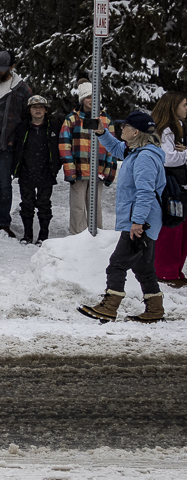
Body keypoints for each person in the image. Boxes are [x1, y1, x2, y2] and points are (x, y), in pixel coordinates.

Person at [78, 109, 169, 322]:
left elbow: (145, 192)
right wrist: (102, 133)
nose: (121, 129)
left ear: (135, 132)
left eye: (125, 126)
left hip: (140, 222)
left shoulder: (145, 157)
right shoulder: (137, 151)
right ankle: (155, 309)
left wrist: (138, 222)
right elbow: (117, 148)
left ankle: (109, 307)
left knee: (116, 264)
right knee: (143, 267)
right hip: (144, 220)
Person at [0, 51, 32, 237]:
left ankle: (4, 222)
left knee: (4, 185)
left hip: (5, 144)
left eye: (0, 69)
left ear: (11, 68)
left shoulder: (21, 89)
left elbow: (27, 118)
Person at [59, 83, 116, 236]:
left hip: (98, 169)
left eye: (95, 97)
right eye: (88, 97)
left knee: (95, 205)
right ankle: (77, 234)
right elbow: (64, 144)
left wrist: (109, 170)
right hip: (79, 169)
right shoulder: (72, 118)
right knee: (77, 206)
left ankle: (97, 235)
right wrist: (70, 170)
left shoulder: (105, 119)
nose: (92, 100)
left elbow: (112, 146)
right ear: (82, 99)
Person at [9, 95, 57, 244]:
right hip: (26, 171)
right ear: (29, 110)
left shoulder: (53, 127)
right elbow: (15, 149)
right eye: (35, 107)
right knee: (27, 205)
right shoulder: (22, 128)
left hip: (46, 171)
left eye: (41, 107)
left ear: (46, 110)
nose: (38, 110)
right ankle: (27, 234)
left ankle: (43, 235)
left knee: (44, 205)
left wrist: (55, 166)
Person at [153, 90, 187, 287]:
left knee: (180, 230)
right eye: (184, 105)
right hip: (171, 186)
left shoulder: (179, 127)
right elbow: (168, 158)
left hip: (180, 184)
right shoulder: (166, 129)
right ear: (173, 107)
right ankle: (166, 271)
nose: (186, 109)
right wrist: (184, 155)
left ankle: (175, 269)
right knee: (172, 228)